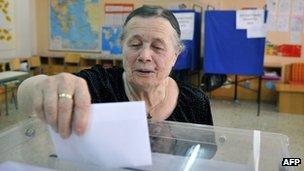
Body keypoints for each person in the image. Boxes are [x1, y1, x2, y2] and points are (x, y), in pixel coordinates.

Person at [17, 5, 213, 139]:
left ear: (176, 54)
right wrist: (43, 87)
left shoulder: (195, 102)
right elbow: (26, 96)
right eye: (135, 44)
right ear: (122, 46)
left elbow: (204, 155)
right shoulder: (97, 85)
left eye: (158, 47)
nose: (145, 55)